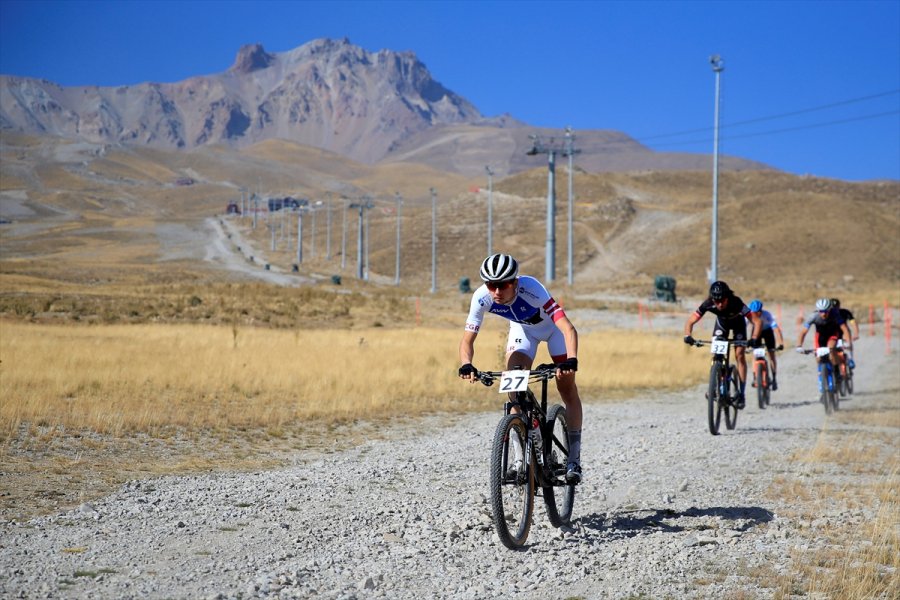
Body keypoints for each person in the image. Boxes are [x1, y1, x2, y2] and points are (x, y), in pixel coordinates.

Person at [458, 253, 583, 484]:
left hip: (554, 333)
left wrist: (571, 360)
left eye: (503, 285)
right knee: (514, 393)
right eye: (491, 285)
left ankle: (574, 458)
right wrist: (467, 364)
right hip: (523, 332)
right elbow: (467, 341)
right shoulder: (481, 298)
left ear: (515, 282)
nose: (496, 291)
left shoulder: (532, 288)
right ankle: (519, 460)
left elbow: (568, 328)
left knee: (567, 389)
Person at [683, 280, 762, 409]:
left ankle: (741, 394)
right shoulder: (708, 303)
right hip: (722, 325)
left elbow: (757, 321)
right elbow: (691, 320)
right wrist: (687, 335)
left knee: (740, 355)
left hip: (738, 325)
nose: (719, 304)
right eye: (716, 301)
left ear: (727, 298)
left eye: (722, 301)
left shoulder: (736, 302)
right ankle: (715, 384)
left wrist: (754, 338)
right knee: (717, 354)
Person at [796, 298, 852, 371]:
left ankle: (836, 371)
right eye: (821, 311)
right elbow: (803, 332)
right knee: (818, 358)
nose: (824, 314)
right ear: (818, 310)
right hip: (820, 336)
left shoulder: (835, 314)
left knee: (831, 350)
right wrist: (799, 345)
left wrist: (848, 342)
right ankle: (822, 376)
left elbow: (844, 328)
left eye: (826, 311)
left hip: (832, 334)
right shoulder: (813, 316)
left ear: (829, 310)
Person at [747, 299, 785, 390]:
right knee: (755, 354)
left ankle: (774, 378)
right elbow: (743, 327)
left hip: (768, 332)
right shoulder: (749, 316)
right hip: (756, 333)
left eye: (758, 312)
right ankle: (755, 377)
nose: (756, 314)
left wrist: (781, 343)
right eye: (754, 312)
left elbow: (777, 330)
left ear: (761, 311)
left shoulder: (767, 315)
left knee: (771, 354)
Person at [831, 298, 859, 369]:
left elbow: (853, 322)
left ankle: (850, 358)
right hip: (833, 333)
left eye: (836, 307)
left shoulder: (845, 312)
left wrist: (856, 333)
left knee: (847, 335)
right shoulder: (829, 314)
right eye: (833, 307)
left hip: (843, 333)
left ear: (839, 306)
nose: (835, 308)